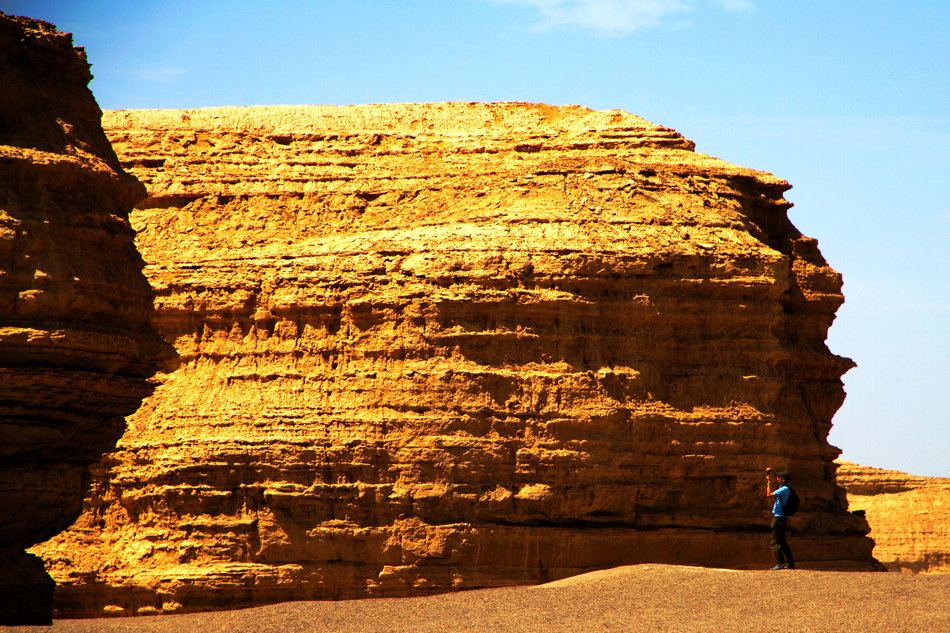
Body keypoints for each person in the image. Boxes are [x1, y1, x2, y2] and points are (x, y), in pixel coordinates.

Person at [765, 467, 795, 570]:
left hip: (778, 518)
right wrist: (772, 472)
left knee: (775, 542)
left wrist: (768, 482)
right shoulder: (788, 487)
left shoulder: (783, 489)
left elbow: (769, 495)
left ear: (782, 479)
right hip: (783, 518)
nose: (777, 478)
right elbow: (777, 479)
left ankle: (780, 563)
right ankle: (790, 564)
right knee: (783, 542)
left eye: (779, 477)